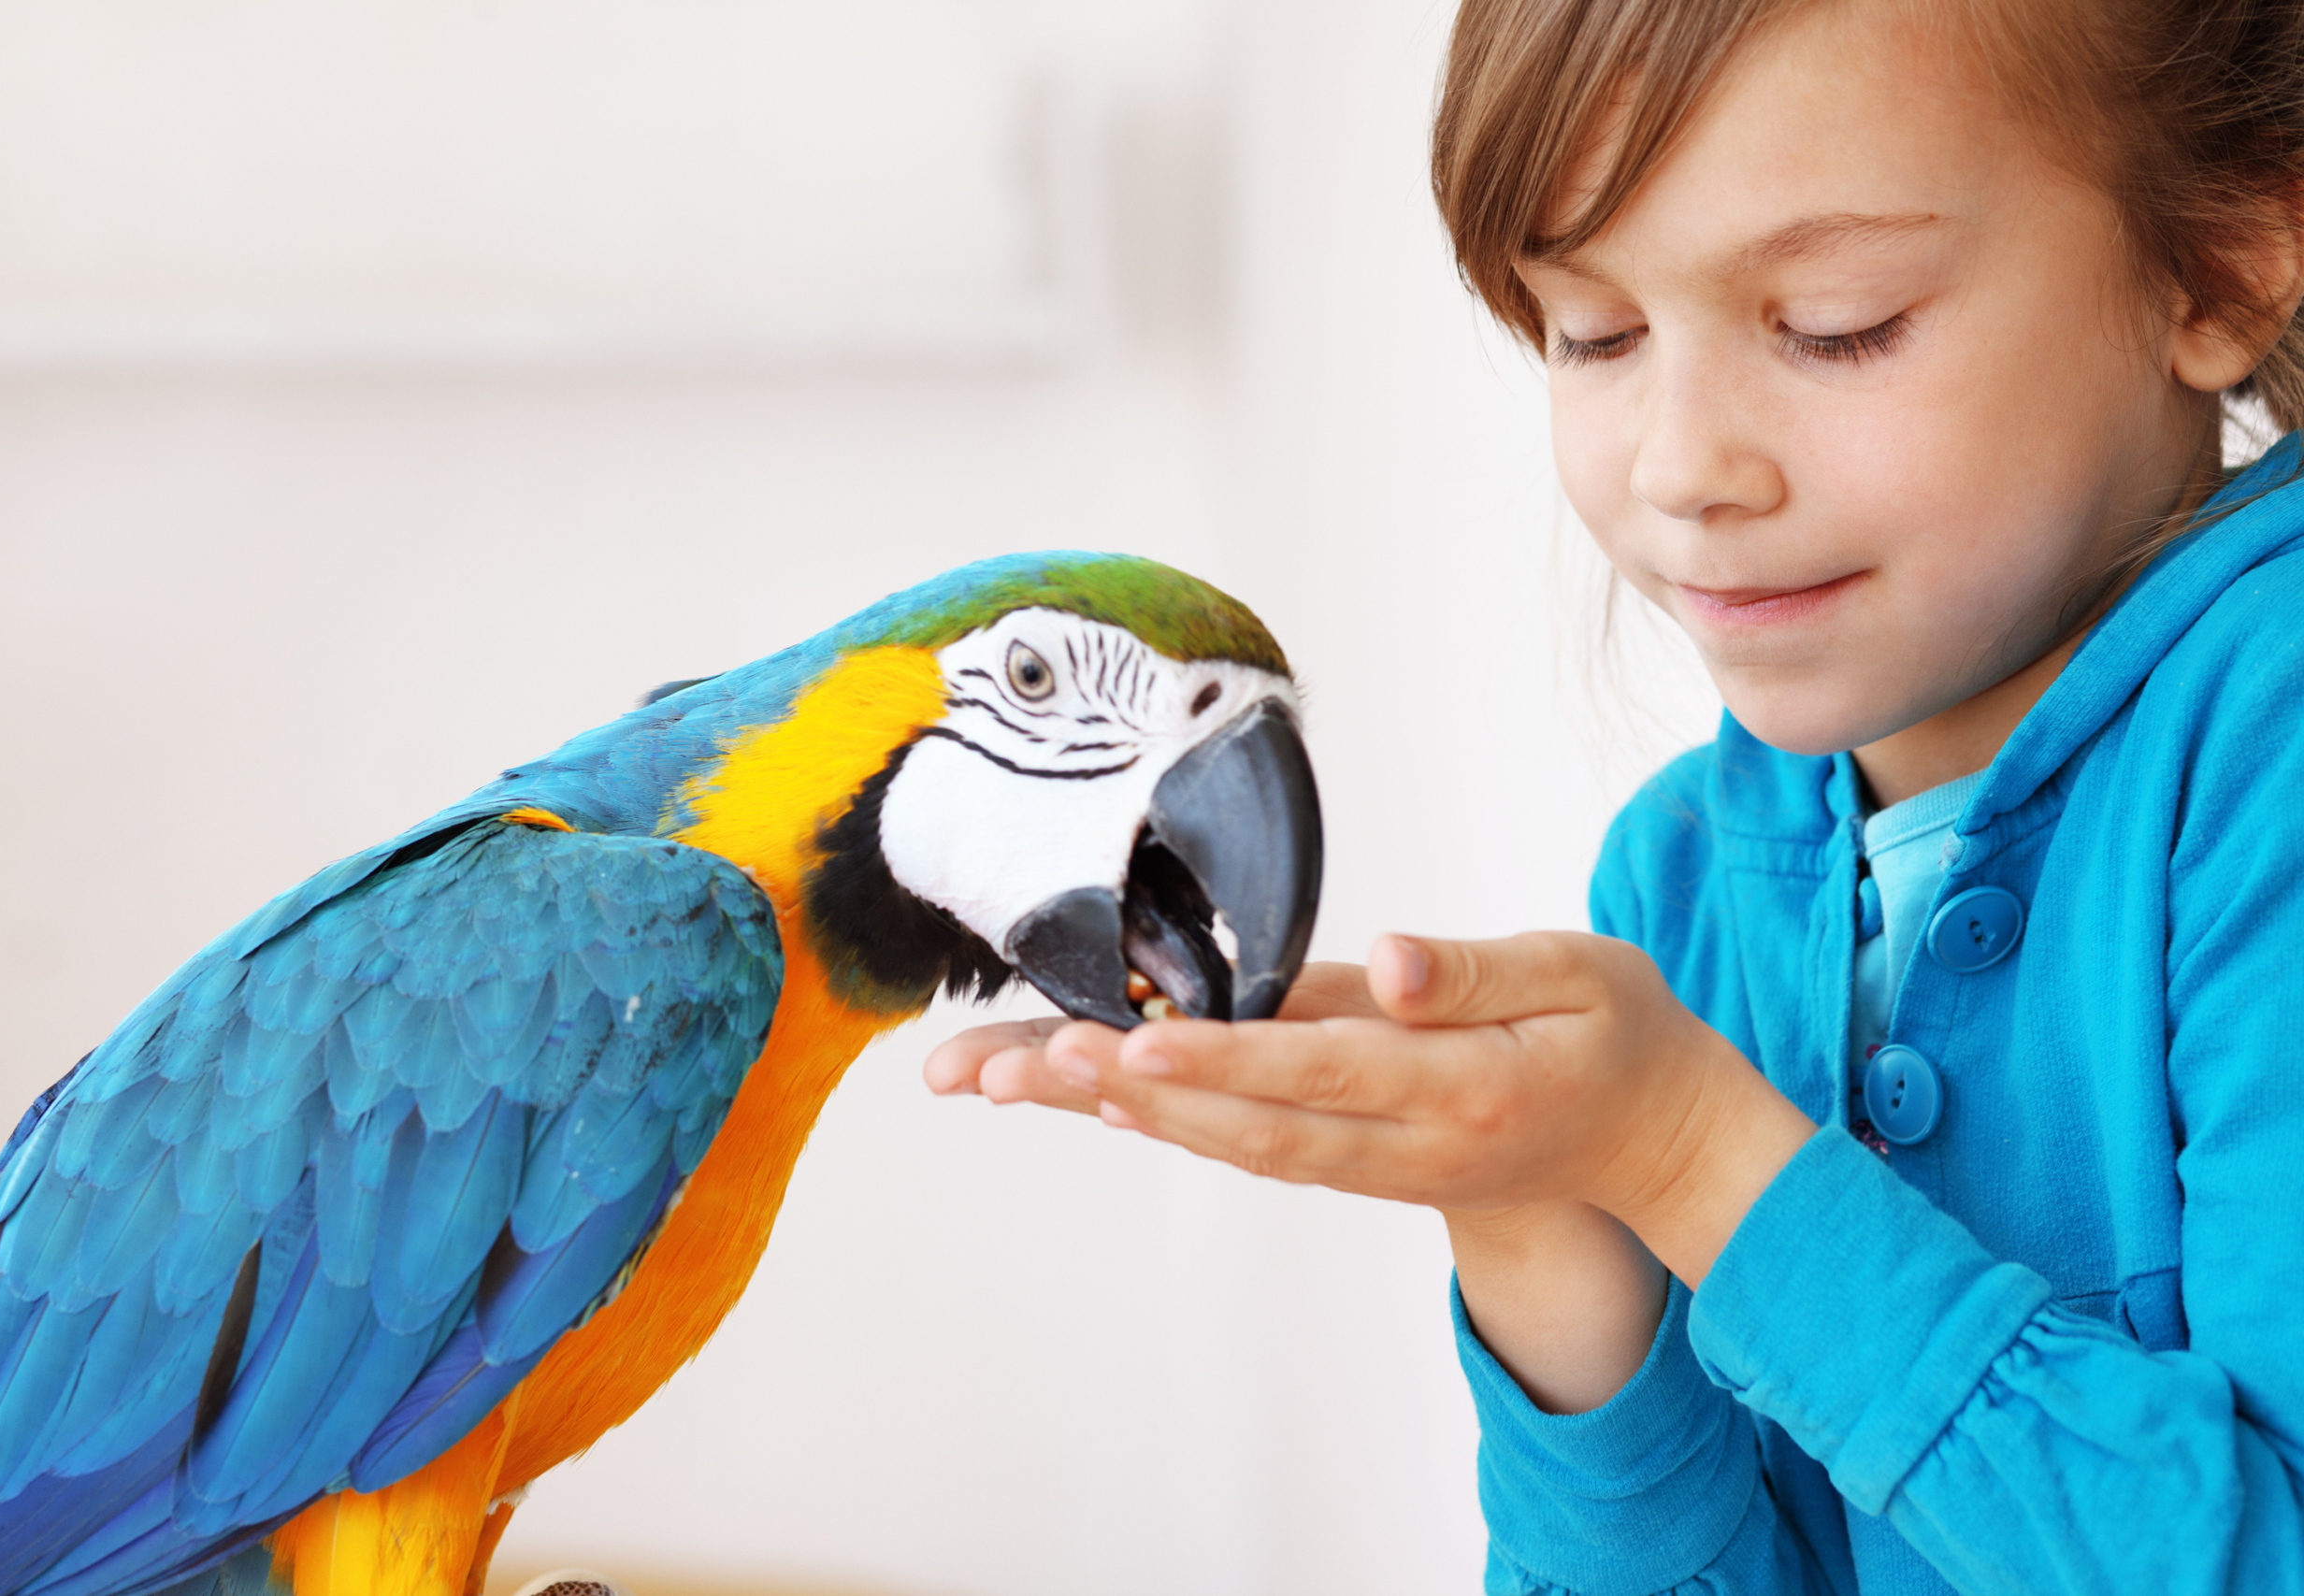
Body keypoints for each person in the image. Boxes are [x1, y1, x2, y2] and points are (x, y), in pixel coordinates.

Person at [927, 0, 2304, 1589]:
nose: (1680, 464)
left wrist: (1691, 1157)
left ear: (2222, 259)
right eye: (1593, 333)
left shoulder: (2264, 751)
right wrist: (1533, 1201)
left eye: (1836, 321)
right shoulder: (1682, 882)